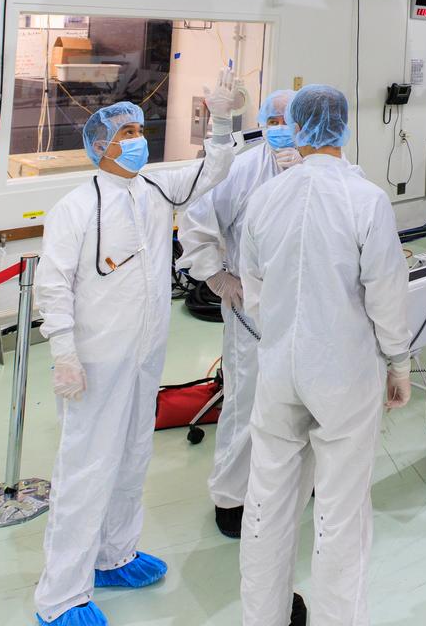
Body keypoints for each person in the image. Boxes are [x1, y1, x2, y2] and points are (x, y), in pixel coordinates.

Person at [32, 73, 247, 626]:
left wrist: (221, 119)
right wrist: (64, 354)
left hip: (144, 357)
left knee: (132, 458)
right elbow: (53, 287)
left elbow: (213, 170)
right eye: (125, 133)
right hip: (95, 362)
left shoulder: (154, 187)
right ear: (100, 146)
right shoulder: (76, 207)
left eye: (138, 130)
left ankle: (114, 555)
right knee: (86, 470)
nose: (137, 139)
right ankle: (61, 596)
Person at [236, 84, 413, 626]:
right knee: (340, 512)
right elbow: (386, 294)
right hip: (343, 376)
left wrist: (283, 335)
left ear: (298, 128)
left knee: (266, 505)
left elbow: (254, 289)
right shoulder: (366, 200)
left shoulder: (266, 198)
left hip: (277, 370)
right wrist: (398, 362)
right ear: (343, 126)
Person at [175, 88, 302, 537]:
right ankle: (232, 498)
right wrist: (216, 278)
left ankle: (295, 482)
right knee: (247, 400)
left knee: (300, 400)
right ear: (263, 122)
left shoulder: (324, 169)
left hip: (307, 307)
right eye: (274, 120)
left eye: (291, 120)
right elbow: (196, 221)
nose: (282, 129)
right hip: (251, 307)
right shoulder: (243, 169)